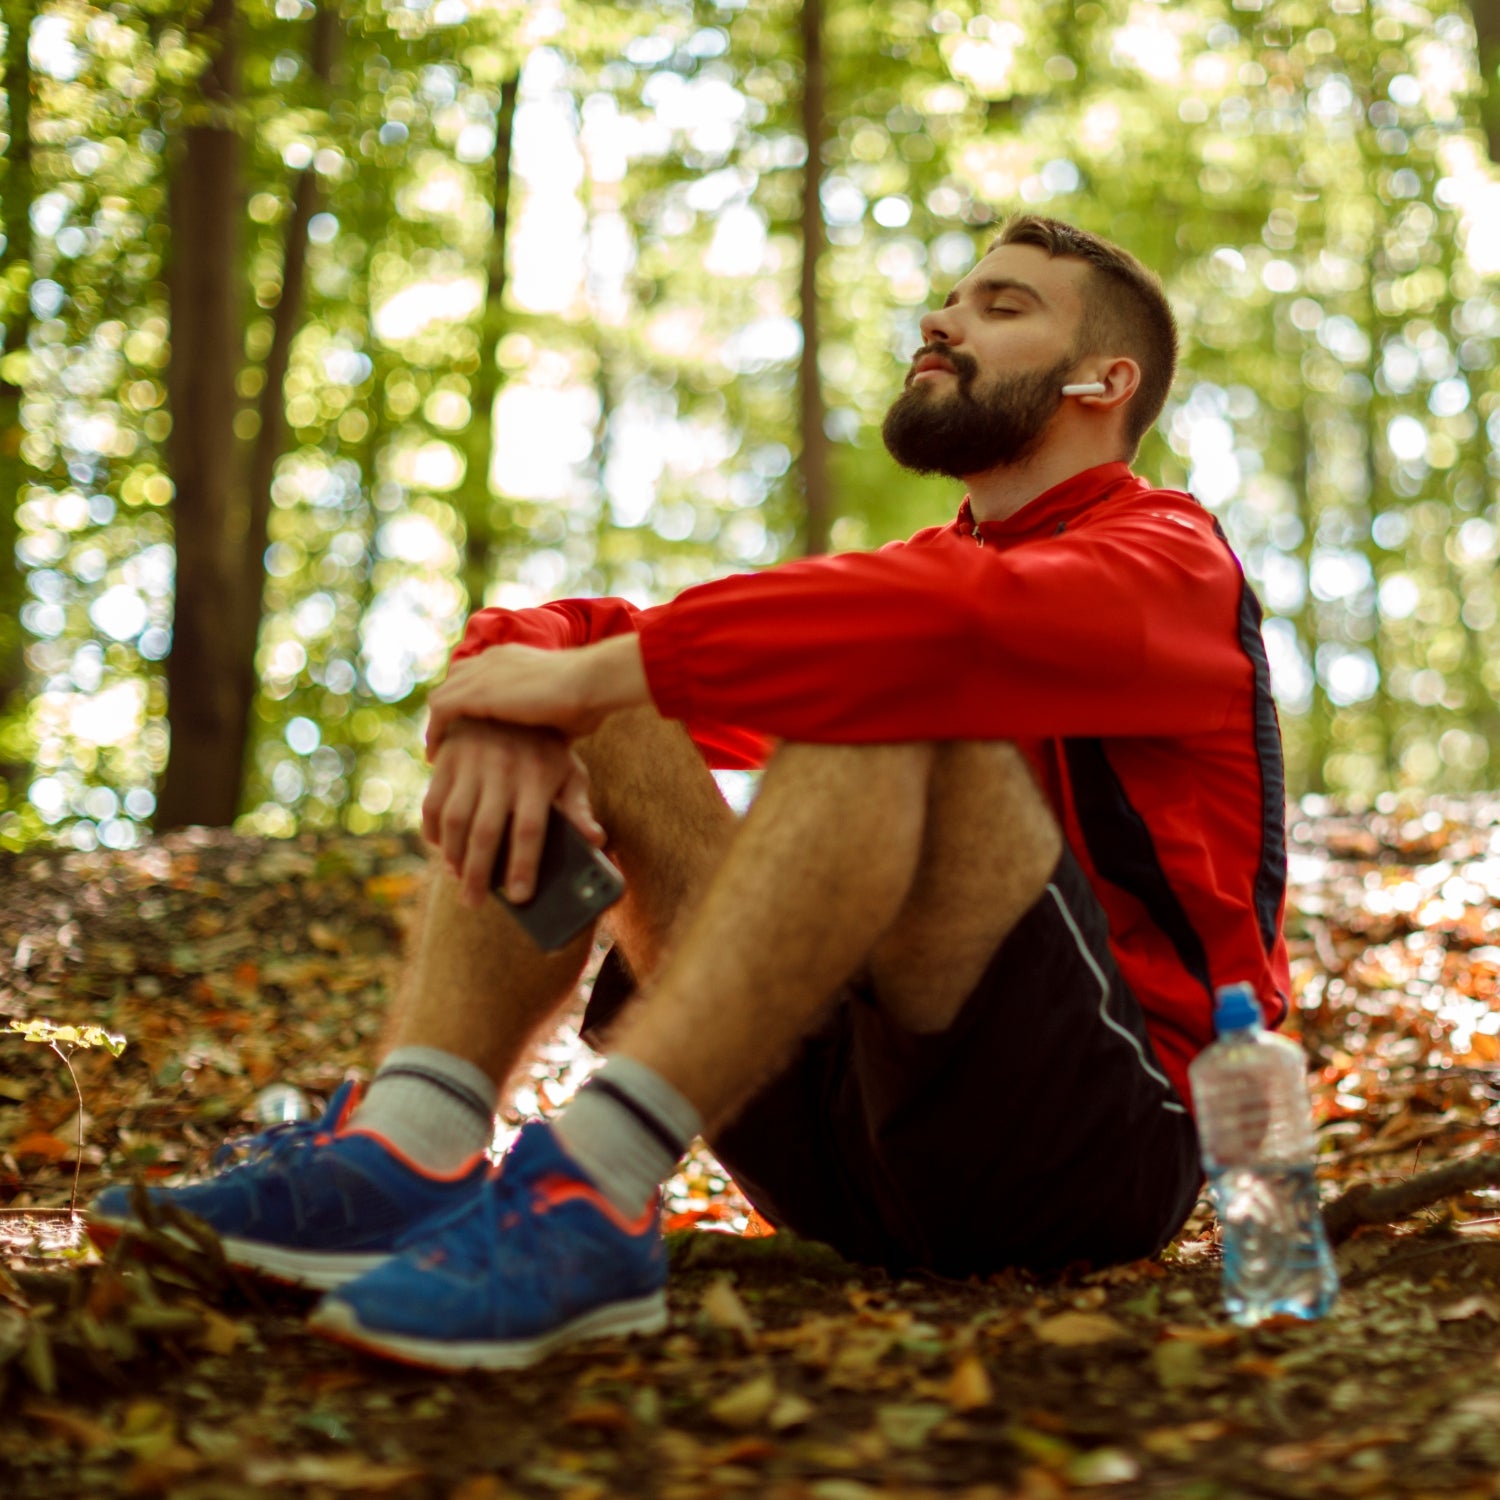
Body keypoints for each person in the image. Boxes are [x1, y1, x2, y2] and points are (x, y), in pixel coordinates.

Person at [91, 215, 1289, 1371]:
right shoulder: (926, 570)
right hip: (833, 1144)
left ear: (1102, 381)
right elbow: (604, 636)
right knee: (611, 701)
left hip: (1091, 1149)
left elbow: (939, 636)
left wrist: (573, 677)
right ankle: (408, 1144)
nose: (940, 318)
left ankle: (591, 1182)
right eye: (950, 296)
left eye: (1001, 304)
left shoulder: (1171, 560)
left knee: (878, 683)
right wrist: (505, 699)